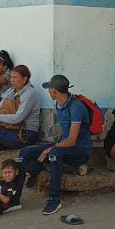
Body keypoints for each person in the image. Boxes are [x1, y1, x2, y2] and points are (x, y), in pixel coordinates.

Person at [18, 74, 91, 216]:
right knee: (25, 153)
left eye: (49, 89)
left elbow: (72, 140)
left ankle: (54, 199)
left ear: (54, 92)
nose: (48, 91)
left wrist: (50, 149)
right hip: (64, 146)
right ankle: (14, 196)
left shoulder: (76, 107)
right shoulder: (59, 104)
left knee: (54, 154)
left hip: (80, 150)